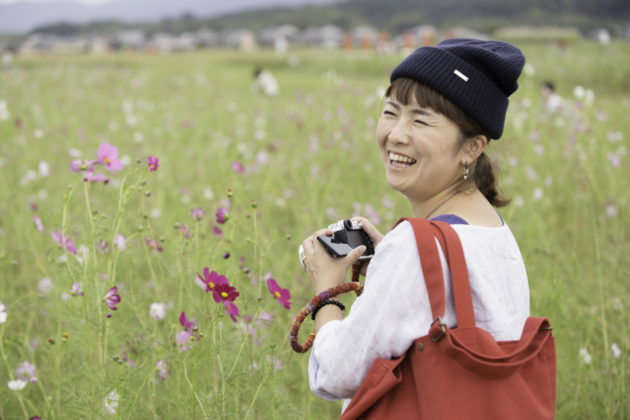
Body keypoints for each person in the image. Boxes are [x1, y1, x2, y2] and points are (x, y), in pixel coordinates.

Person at [300, 38, 530, 414]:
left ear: (472, 147)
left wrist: (326, 293)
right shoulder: (493, 228)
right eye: (391, 112)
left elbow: (338, 372)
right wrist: (386, 270)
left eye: (420, 120)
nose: (396, 134)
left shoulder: (416, 248)